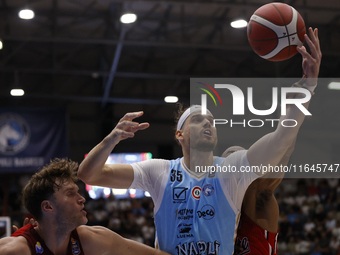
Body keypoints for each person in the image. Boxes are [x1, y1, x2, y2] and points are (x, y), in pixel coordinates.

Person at [78, 27, 321, 254]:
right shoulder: (159, 170)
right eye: (198, 120)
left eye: (212, 121)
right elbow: (89, 175)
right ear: (179, 134)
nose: (208, 123)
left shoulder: (230, 168)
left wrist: (308, 87)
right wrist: (111, 138)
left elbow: (281, 140)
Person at [0, 158, 170, 255]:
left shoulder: (91, 239)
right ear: (48, 207)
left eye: (78, 192)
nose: (81, 199)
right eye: (70, 193)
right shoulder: (16, 249)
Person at [222, 139, 295, 255]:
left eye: (237, 166)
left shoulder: (258, 197)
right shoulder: (217, 212)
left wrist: (291, 126)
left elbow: (284, 151)